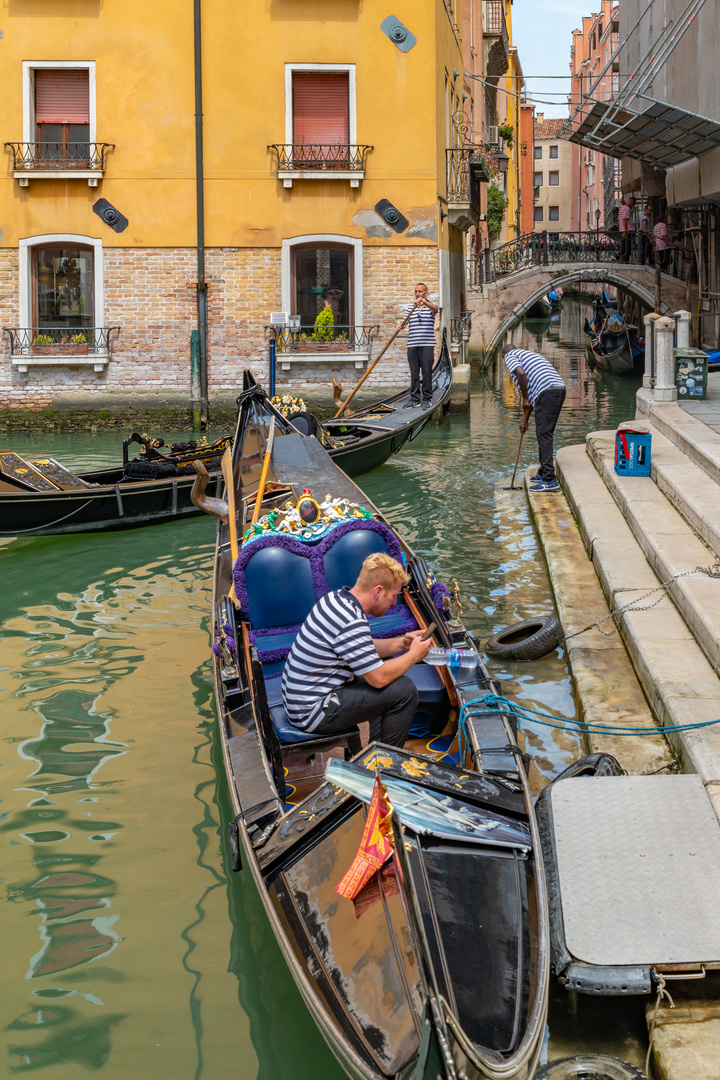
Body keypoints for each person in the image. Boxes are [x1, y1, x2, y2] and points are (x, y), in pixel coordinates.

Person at [281, 552, 432, 746]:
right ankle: (387, 765)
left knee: (387, 670)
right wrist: (413, 655)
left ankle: (376, 751)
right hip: (312, 712)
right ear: (378, 591)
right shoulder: (350, 620)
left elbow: (362, 648)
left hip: (301, 699)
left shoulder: (336, 599)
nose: (395, 603)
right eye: (393, 596)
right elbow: (378, 679)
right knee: (405, 691)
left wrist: (403, 643)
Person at [501, 344, 566, 492]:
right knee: (545, 433)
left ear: (504, 357)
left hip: (547, 392)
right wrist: (524, 421)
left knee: (544, 434)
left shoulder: (510, 356)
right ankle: (544, 472)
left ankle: (549, 480)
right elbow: (530, 401)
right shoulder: (528, 355)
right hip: (558, 390)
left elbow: (521, 374)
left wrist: (524, 398)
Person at [398, 283, 438, 409]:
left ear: (426, 293)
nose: (417, 294)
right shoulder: (410, 308)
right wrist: (400, 325)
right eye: (416, 291)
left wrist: (424, 302)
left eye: (420, 291)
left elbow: (435, 310)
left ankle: (426, 398)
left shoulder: (431, 307)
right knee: (414, 373)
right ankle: (415, 399)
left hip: (427, 345)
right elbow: (404, 322)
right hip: (412, 345)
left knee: (426, 373)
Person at [618, 195, 636, 263]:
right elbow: (624, 219)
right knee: (627, 247)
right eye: (633, 204)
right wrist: (625, 231)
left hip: (623, 230)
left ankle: (619, 258)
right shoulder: (627, 209)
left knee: (624, 246)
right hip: (628, 231)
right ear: (631, 202)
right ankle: (625, 261)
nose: (633, 206)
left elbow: (619, 219)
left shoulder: (622, 208)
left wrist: (621, 228)